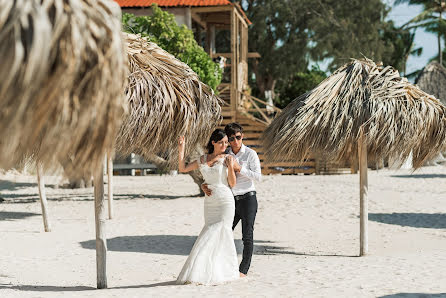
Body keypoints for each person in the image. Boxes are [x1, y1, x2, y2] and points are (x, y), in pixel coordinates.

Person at [176, 129, 239, 285]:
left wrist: (230, 167)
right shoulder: (203, 159)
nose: (225, 145)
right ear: (213, 143)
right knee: (209, 229)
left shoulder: (228, 158)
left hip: (225, 200)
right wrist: (181, 149)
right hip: (210, 202)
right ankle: (202, 271)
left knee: (221, 231)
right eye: (221, 142)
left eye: (226, 142)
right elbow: (182, 168)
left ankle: (224, 271)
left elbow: (232, 183)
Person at [202, 122, 261, 277]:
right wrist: (204, 185)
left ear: (242, 136)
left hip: (248, 198)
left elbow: (258, 177)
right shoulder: (224, 152)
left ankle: (243, 271)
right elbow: (213, 173)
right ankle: (218, 265)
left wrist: (239, 168)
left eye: (238, 137)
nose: (235, 141)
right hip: (230, 200)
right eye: (232, 139)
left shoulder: (250, 154)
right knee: (223, 231)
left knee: (247, 236)